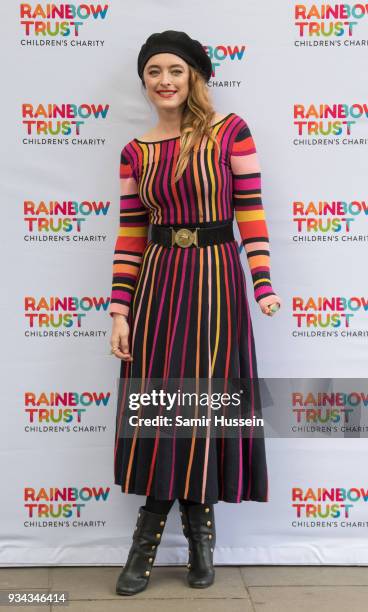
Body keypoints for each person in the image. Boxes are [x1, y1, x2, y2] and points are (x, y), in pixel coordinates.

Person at [108, 30, 282, 596]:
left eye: (175, 71)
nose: (164, 80)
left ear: (195, 77)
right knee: (162, 406)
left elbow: (250, 211)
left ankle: (199, 535)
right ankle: (151, 535)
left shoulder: (231, 132)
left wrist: (262, 283)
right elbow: (131, 235)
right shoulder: (135, 152)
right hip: (159, 285)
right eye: (154, 70)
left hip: (216, 281)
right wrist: (119, 312)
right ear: (144, 80)